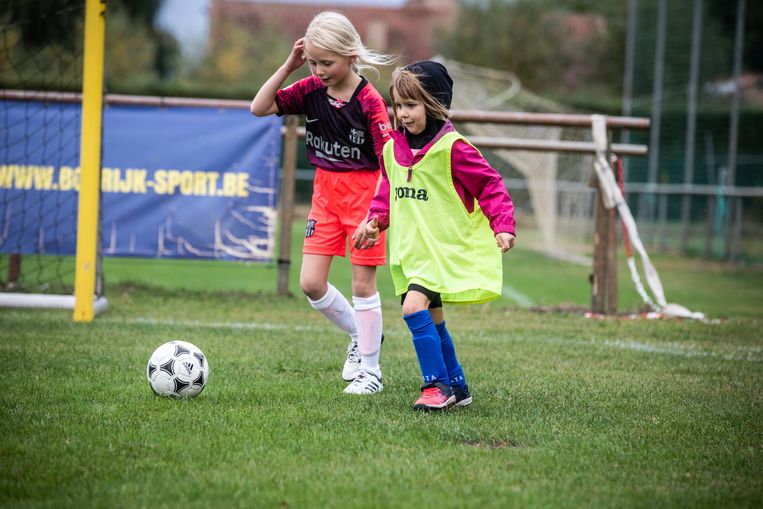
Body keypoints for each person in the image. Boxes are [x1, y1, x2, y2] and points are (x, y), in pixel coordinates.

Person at [353, 61, 516, 410]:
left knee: (414, 307)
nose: (403, 113)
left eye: (412, 105)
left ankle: (436, 386)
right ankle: (458, 386)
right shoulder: (392, 149)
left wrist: (502, 224)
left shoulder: (454, 148)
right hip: (412, 251)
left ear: (435, 103)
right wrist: (375, 220)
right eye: (398, 105)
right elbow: (388, 190)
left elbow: (490, 186)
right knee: (434, 318)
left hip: (441, 250)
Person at [251, 11, 394, 395]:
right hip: (324, 198)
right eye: (313, 62)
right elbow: (259, 107)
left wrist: (380, 216)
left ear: (350, 56)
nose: (319, 70)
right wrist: (288, 67)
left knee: (363, 286)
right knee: (311, 283)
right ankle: (360, 336)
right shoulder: (310, 89)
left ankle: (371, 372)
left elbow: (390, 163)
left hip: (364, 200)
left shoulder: (370, 102)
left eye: (326, 62)